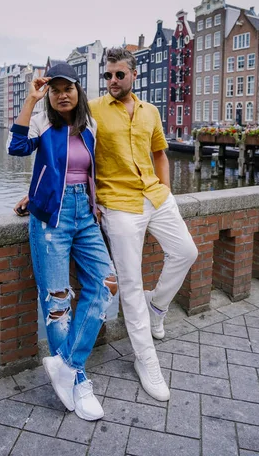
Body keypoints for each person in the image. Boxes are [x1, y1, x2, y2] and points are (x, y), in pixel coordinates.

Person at [7, 63, 117, 421]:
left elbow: (88, 171)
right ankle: (79, 381)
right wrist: (31, 99)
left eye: (67, 87)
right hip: (50, 219)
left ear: (78, 90)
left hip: (85, 214)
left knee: (106, 283)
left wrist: (95, 201)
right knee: (56, 303)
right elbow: (17, 147)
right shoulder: (42, 121)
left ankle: (66, 364)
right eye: (54, 90)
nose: (61, 94)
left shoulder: (90, 127)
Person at [89, 47, 198, 402]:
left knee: (186, 251)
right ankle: (144, 358)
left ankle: (158, 307)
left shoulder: (151, 111)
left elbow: (159, 154)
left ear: (133, 75)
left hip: (155, 196)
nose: (113, 81)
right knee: (131, 283)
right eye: (108, 75)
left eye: (119, 75)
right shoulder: (92, 110)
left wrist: (165, 192)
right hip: (118, 203)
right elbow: (66, 149)